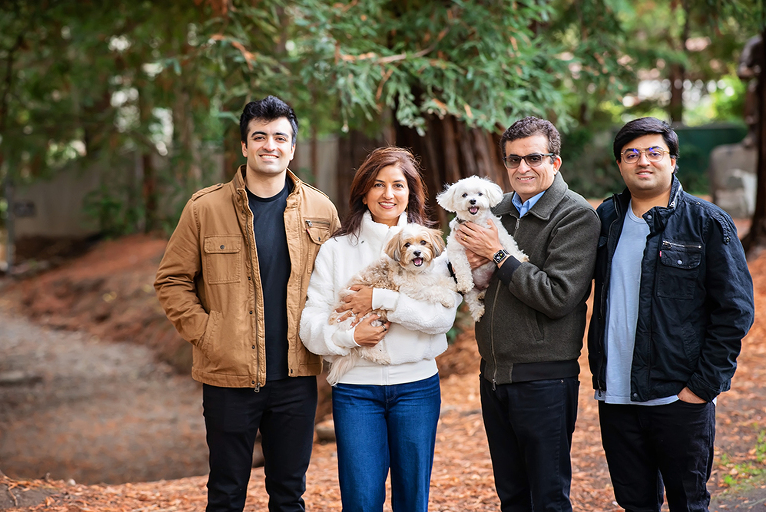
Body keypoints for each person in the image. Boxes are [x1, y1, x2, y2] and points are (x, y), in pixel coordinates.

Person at [154, 95, 340, 512]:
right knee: (225, 493)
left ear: (292, 147)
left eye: (279, 137)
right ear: (244, 146)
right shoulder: (205, 208)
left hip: (295, 377)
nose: (269, 145)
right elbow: (171, 279)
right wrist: (207, 334)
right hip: (228, 378)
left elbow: (339, 284)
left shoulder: (321, 211)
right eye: (259, 137)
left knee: (289, 494)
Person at [587, 117, 754, 511]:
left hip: (678, 400)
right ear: (620, 165)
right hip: (616, 397)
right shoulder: (605, 220)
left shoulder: (707, 222)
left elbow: (735, 312)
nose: (642, 161)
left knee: (688, 503)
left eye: (653, 152)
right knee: (635, 504)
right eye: (631, 154)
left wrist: (701, 388)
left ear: (672, 160)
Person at [299, 146, 460, 512]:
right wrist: (350, 337)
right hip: (356, 392)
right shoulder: (336, 250)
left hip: (417, 389)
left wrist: (381, 300)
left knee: (412, 500)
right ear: (363, 193)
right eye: (378, 185)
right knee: (360, 501)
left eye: (398, 185)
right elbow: (311, 325)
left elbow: (442, 319)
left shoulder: (431, 247)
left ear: (411, 192)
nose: (389, 194)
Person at [455, 116, 600, 511]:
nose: (522, 169)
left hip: (544, 379)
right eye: (512, 160)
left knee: (547, 497)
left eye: (533, 158)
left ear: (555, 161)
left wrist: (498, 255)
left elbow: (559, 295)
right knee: (513, 495)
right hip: (495, 375)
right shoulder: (493, 210)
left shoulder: (576, 216)